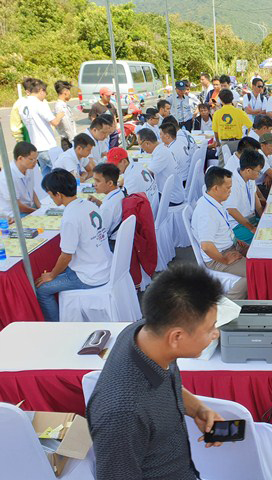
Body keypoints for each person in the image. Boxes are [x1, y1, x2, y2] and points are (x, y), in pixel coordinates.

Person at [87, 263, 231, 479]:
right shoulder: (122, 415)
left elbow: (164, 383)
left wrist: (198, 409)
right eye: (210, 328)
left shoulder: (145, 333)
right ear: (176, 337)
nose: (215, 334)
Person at [35, 169, 112, 322]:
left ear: (58, 194)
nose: (50, 198)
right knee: (55, 275)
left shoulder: (70, 217)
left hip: (90, 276)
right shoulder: (89, 205)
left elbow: (66, 257)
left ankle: (56, 327)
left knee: (42, 290)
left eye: (50, 194)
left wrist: (51, 275)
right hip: (104, 265)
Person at [192, 167, 249, 299]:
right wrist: (224, 260)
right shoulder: (206, 212)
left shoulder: (213, 201)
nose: (230, 191)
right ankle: (230, 304)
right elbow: (206, 246)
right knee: (254, 272)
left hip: (229, 246)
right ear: (216, 188)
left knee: (258, 256)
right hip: (218, 256)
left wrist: (234, 240)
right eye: (227, 188)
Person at [19, 79, 66, 174]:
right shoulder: (39, 104)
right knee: (60, 174)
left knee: (46, 175)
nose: (45, 95)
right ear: (41, 91)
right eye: (45, 92)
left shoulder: (23, 106)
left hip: (36, 148)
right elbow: (55, 122)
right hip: (48, 146)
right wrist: (60, 115)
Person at [223, 149, 264, 244]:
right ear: (248, 170)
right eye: (258, 172)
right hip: (237, 225)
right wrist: (251, 227)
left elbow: (255, 197)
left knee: (270, 227)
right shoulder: (232, 183)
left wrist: (262, 215)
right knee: (261, 239)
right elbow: (232, 210)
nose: (259, 175)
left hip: (250, 219)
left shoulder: (250, 178)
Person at [106, 147, 159, 216]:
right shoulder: (136, 166)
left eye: (115, 166)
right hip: (152, 208)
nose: (112, 170)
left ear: (124, 162)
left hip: (147, 216)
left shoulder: (133, 178)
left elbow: (120, 204)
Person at [138, 128, 184, 206]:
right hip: (169, 192)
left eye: (140, 145)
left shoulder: (161, 153)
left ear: (147, 143)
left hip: (171, 198)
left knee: (139, 201)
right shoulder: (161, 149)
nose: (141, 148)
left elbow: (146, 175)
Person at [0, 141, 40, 218]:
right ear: (20, 158)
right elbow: (17, 205)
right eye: (31, 159)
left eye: (36, 159)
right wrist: (36, 211)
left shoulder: (29, 168)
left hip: (29, 208)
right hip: (14, 214)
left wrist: (40, 207)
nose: (35, 162)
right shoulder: (7, 176)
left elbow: (31, 190)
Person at [89, 163, 125, 248]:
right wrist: (98, 202)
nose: (94, 184)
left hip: (111, 245)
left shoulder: (107, 207)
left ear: (110, 183)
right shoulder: (121, 193)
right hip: (121, 241)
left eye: (98, 181)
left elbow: (100, 233)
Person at [212, 89, 253, 154]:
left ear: (220, 99)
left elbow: (215, 131)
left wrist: (217, 142)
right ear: (232, 98)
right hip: (238, 143)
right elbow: (250, 126)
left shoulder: (217, 113)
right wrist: (246, 138)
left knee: (223, 163)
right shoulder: (240, 112)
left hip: (224, 143)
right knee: (238, 163)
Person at [52, 80, 76, 150]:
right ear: (65, 92)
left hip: (68, 140)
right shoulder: (61, 106)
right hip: (68, 141)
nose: (70, 94)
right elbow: (67, 125)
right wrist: (73, 141)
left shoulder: (62, 105)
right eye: (69, 92)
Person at [10, 77, 35, 142]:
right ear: (27, 92)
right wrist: (20, 142)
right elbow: (16, 126)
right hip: (28, 141)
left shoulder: (42, 101)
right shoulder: (19, 104)